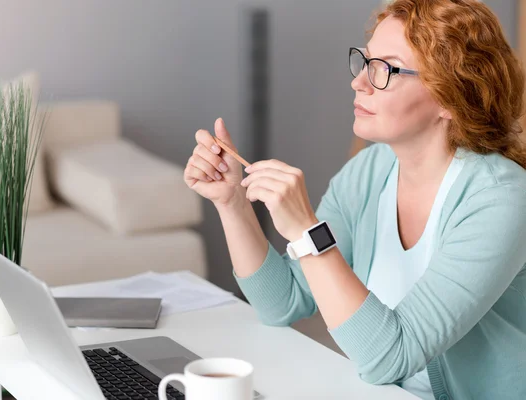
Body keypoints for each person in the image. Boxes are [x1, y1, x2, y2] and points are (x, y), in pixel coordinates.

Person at [183, 0, 526, 399]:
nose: (359, 82)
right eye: (365, 61)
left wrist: (306, 232)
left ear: (449, 97)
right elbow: (283, 303)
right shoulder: (370, 171)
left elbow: (390, 357)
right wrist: (232, 203)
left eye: (386, 69)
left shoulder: (501, 199)